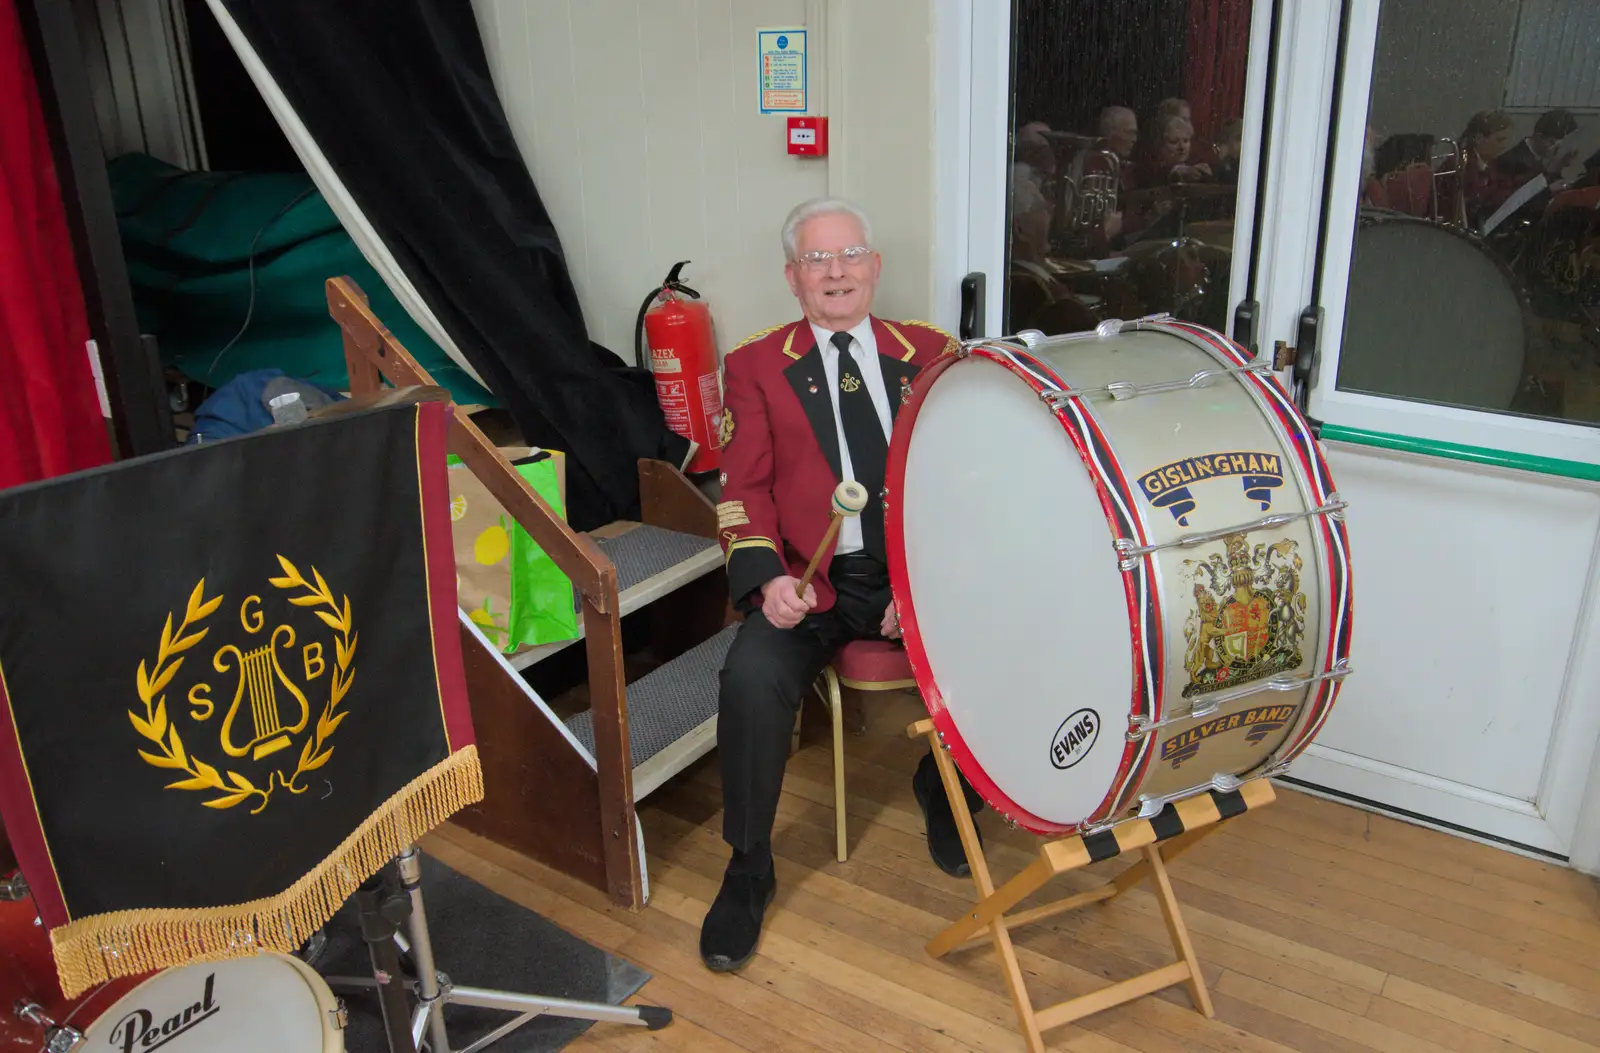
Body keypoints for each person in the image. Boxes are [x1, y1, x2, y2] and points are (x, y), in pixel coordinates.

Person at [700, 197, 985, 973]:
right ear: (793, 276)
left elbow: (966, 480)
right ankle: (749, 865)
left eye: (850, 254)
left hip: (912, 571)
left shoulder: (932, 352)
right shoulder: (756, 365)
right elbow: (743, 488)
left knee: (999, 636)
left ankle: (948, 784)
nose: (836, 272)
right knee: (751, 674)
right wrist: (767, 582)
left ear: (875, 267)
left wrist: (926, 581)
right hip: (813, 575)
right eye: (818, 260)